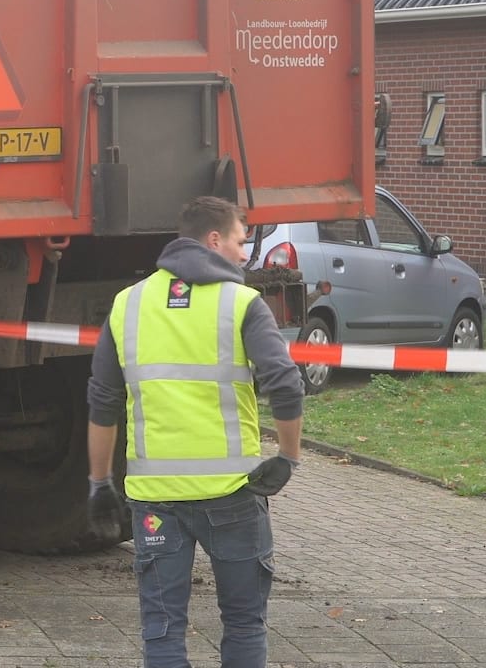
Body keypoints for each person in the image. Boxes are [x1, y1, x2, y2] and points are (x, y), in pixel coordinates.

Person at [86, 195, 304, 668]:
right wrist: (288, 457)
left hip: (155, 500)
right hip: (232, 495)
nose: (244, 253)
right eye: (240, 241)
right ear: (213, 240)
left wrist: (99, 482)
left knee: (162, 631)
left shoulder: (127, 304)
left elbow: (103, 401)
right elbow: (286, 384)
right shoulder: (242, 303)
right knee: (244, 623)